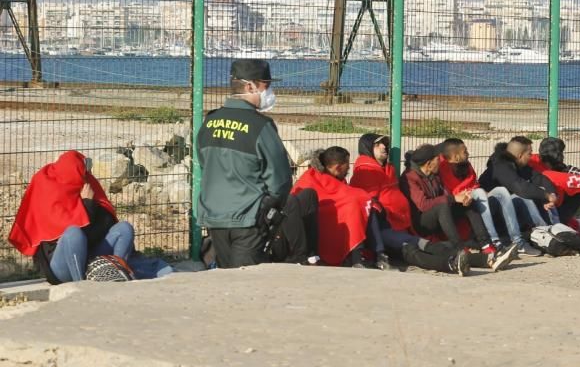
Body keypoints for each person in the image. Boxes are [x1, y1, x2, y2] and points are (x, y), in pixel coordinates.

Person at [196, 58, 314, 268]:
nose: (270, 92)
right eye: (266, 85)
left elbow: (205, 163)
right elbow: (280, 179)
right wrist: (268, 210)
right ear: (249, 86)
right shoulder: (261, 125)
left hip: (214, 215)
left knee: (225, 273)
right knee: (246, 280)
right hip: (248, 218)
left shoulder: (210, 121)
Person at [8, 150, 172, 283]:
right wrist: (86, 204)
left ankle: (117, 273)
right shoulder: (47, 188)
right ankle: (82, 286)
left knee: (124, 228)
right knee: (73, 234)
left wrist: (89, 206)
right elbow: (67, 233)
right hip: (61, 267)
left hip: (91, 259)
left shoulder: (87, 185)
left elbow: (107, 222)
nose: (87, 175)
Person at [400, 143, 512, 271]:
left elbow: (445, 195)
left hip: (440, 215)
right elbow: (423, 205)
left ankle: (486, 245)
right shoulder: (409, 178)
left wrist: (462, 198)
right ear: (428, 163)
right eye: (438, 159)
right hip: (422, 223)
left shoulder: (434, 174)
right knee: (442, 206)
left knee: (469, 203)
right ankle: (460, 248)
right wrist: (453, 198)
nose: (440, 162)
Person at [438, 138, 521, 260]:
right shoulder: (443, 169)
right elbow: (451, 193)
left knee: (501, 191)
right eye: (465, 152)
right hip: (458, 206)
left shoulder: (466, 166)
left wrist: (483, 192)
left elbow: (474, 184)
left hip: (475, 201)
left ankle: (517, 240)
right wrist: (469, 192)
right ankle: (493, 241)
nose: (468, 154)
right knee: (479, 193)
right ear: (455, 157)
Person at [291, 147, 373, 268]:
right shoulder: (312, 177)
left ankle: (365, 255)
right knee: (355, 205)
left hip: (330, 216)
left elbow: (341, 194)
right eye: (347, 165)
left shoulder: (337, 178)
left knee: (357, 206)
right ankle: (360, 256)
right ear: (337, 167)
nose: (349, 168)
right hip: (313, 223)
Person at [479, 136, 556, 234]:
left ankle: (553, 229)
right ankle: (544, 232)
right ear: (520, 155)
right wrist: (546, 195)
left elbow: (541, 179)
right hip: (491, 211)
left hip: (507, 208)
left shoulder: (518, 165)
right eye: (529, 154)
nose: (531, 156)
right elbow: (520, 188)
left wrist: (551, 195)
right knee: (523, 197)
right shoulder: (501, 166)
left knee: (539, 194)